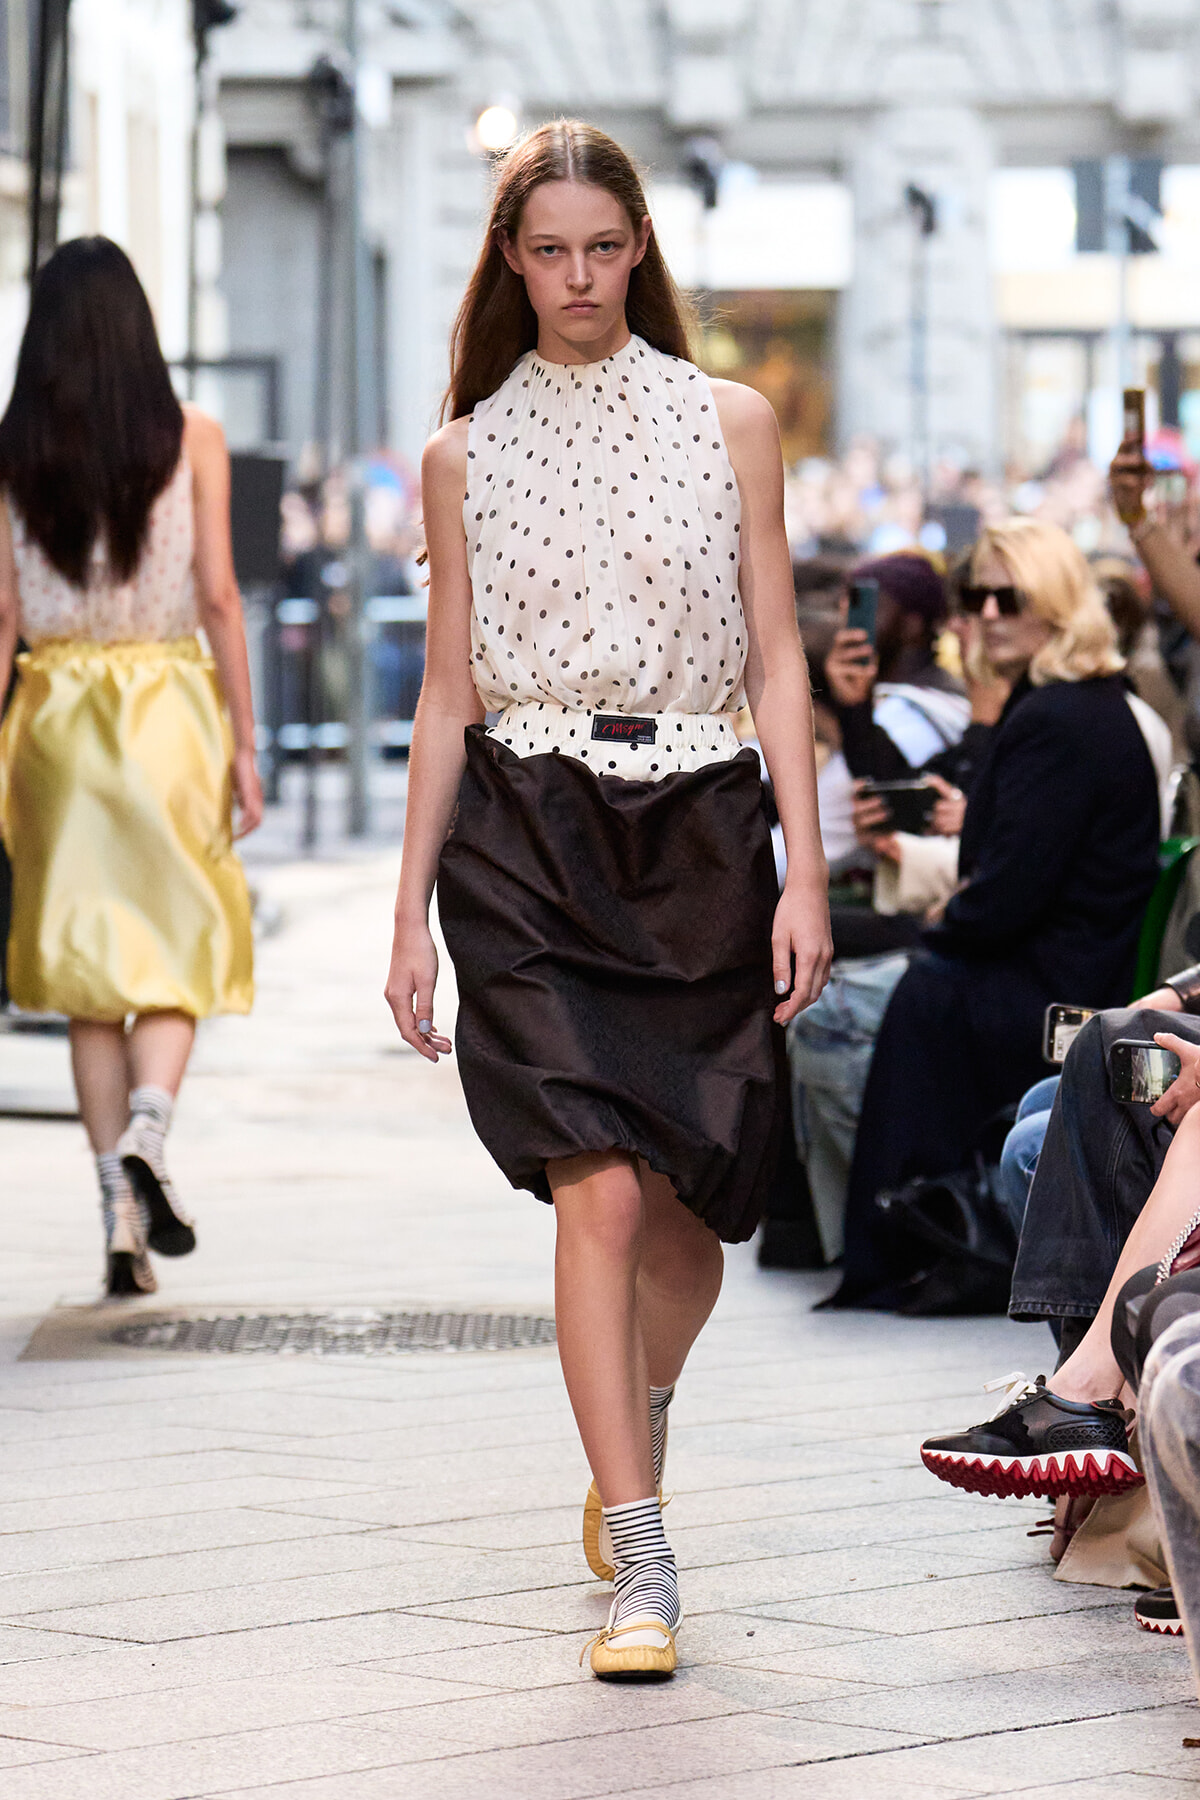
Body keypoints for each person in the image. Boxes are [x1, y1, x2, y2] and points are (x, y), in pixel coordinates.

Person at [384, 121, 830, 1682]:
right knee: (604, 1188)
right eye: (548, 249)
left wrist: (806, 865)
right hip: (523, 834)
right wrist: (404, 924)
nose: (577, 278)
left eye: (602, 246)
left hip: (702, 826)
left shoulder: (736, 423)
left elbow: (779, 652)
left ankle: (630, 1423)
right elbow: (446, 696)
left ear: (641, 249)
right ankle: (645, 1562)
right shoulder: (461, 455)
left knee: (696, 1212)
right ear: (512, 262)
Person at [0, 238, 260, 1296]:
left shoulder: (11, 451)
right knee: (178, 945)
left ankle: (117, 1206)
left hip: (55, 716)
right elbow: (221, 599)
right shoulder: (194, 436)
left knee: (87, 985)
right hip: (165, 710)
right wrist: (244, 743)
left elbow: (4, 617)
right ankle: (152, 1130)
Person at [827, 518, 1161, 1309]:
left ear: (1054, 604)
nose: (981, 614)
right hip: (1050, 970)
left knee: (907, 994)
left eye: (1005, 597)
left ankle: (916, 1238)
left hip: (1058, 994)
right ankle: (892, 1237)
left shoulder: (1061, 719)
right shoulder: (1052, 708)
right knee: (900, 987)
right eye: (970, 598)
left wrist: (945, 923)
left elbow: (1005, 894)